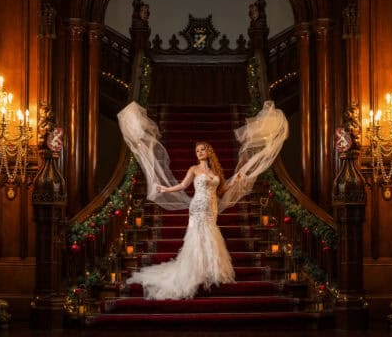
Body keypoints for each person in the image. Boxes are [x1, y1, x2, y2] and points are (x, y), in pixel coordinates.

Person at [117, 100, 288, 300]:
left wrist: (236, 181)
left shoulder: (216, 170)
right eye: (197, 151)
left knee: (211, 235)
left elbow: (221, 190)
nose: (199, 153)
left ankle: (211, 270)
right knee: (198, 237)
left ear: (208, 151)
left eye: (202, 150)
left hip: (211, 207)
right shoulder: (193, 169)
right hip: (197, 207)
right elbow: (182, 186)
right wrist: (164, 188)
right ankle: (194, 272)